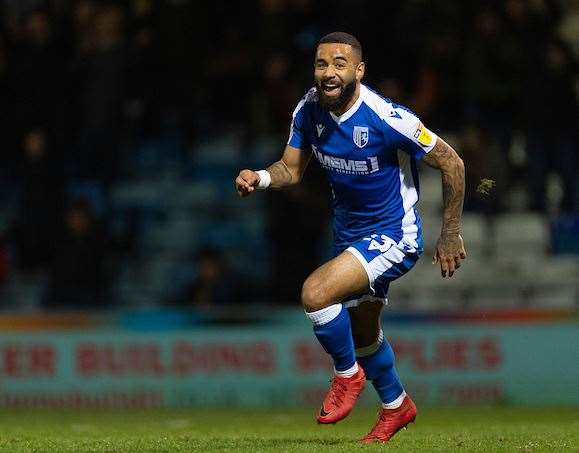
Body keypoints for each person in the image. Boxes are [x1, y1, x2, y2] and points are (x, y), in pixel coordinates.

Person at [234, 32, 466, 443]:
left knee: (315, 293)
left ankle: (347, 376)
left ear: (358, 70)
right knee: (362, 331)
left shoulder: (388, 118)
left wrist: (449, 232)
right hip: (349, 236)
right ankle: (397, 406)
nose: (329, 73)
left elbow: (452, 162)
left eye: (340, 64)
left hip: (394, 234)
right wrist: (262, 177)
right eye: (322, 64)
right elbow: (291, 169)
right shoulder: (307, 110)